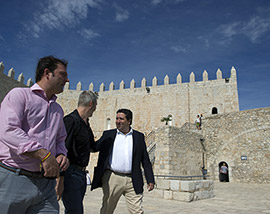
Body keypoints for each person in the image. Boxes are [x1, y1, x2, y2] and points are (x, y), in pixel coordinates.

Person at [0, 56, 70, 214]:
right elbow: (8, 130)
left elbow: (60, 140)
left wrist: (61, 154)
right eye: (62, 74)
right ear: (47, 73)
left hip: (45, 185)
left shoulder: (57, 110)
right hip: (14, 178)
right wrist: (44, 155)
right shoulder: (19, 95)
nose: (67, 79)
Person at [91, 108, 155, 214]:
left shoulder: (138, 137)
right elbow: (95, 147)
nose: (118, 121)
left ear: (129, 121)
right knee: (107, 209)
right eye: (116, 118)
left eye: (121, 119)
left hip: (133, 179)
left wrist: (150, 179)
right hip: (113, 178)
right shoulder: (109, 135)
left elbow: (145, 160)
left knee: (137, 211)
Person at [62, 90, 98, 214]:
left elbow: (93, 147)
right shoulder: (70, 120)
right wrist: (59, 178)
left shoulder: (86, 124)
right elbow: (62, 150)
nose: (95, 109)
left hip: (81, 175)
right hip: (70, 173)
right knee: (75, 211)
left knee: (74, 210)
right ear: (91, 104)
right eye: (96, 106)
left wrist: (110, 137)